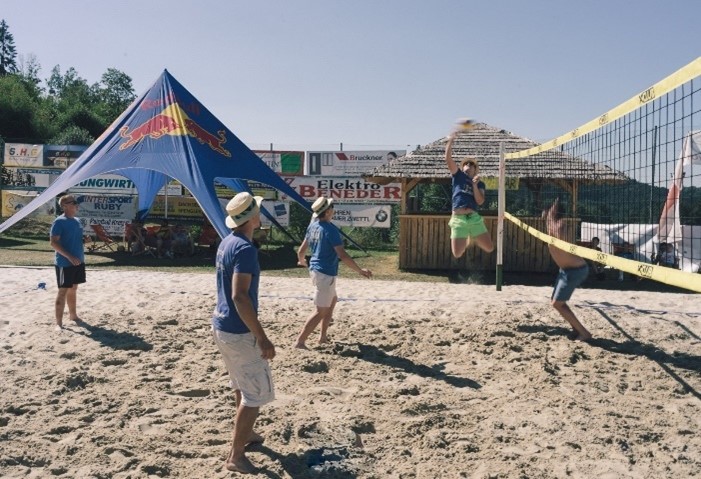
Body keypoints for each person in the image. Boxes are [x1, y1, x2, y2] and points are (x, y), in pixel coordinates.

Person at [212, 192, 275, 474]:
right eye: (258, 211)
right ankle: (235, 456)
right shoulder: (245, 249)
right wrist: (262, 336)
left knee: (241, 385)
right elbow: (240, 297)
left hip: (222, 326)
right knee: (256, 395)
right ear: (251, 217)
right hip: (238, 331)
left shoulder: (228, 242)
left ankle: (246, 436)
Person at [295, 197, 372, 349]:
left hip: (317, 271)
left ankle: (323, 337)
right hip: (325, 274)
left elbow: (301, 250)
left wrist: (302, 260)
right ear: (328, 211)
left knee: (332, 301)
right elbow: (342, 255)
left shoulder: (313, 226)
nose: (334, 209)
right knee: (320, 311)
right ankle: (300, 341)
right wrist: (359, 271)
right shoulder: (330, 229)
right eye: (332, 207)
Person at [543, 199, 592, 342]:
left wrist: (555, 203)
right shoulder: (551, 225)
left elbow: (563, 239)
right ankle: (577, 330)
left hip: (575, 269)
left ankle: (584, 333)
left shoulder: (561, 224)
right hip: (565, 270)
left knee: (557, 304)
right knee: (556, 302)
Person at [444, 128, 494, 258]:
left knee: (489, 248)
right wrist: (451, 140)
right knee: (457, 254)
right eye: (466, 163)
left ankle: (472, 234)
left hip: (473, 218)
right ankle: (468, 235)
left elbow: (480, 201)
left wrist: (474, 185)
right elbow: (448, 159)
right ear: (462, 167)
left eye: (471, 164)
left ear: (475, 169)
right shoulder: (458, 175)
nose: (468, 165)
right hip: (459, 219)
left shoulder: (479, 183)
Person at [49, 195, 86, 329]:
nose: (77, 204)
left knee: (74, 288)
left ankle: (73, 315)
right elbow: (53, 243)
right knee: (63, 291)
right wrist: (69, 257)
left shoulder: (77, 221)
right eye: (73, 202)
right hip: (65, 263)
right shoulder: (59, 222)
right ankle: (58, 323)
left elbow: (72, 239)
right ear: (64, 206)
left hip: (78, 261)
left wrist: (84, 241)